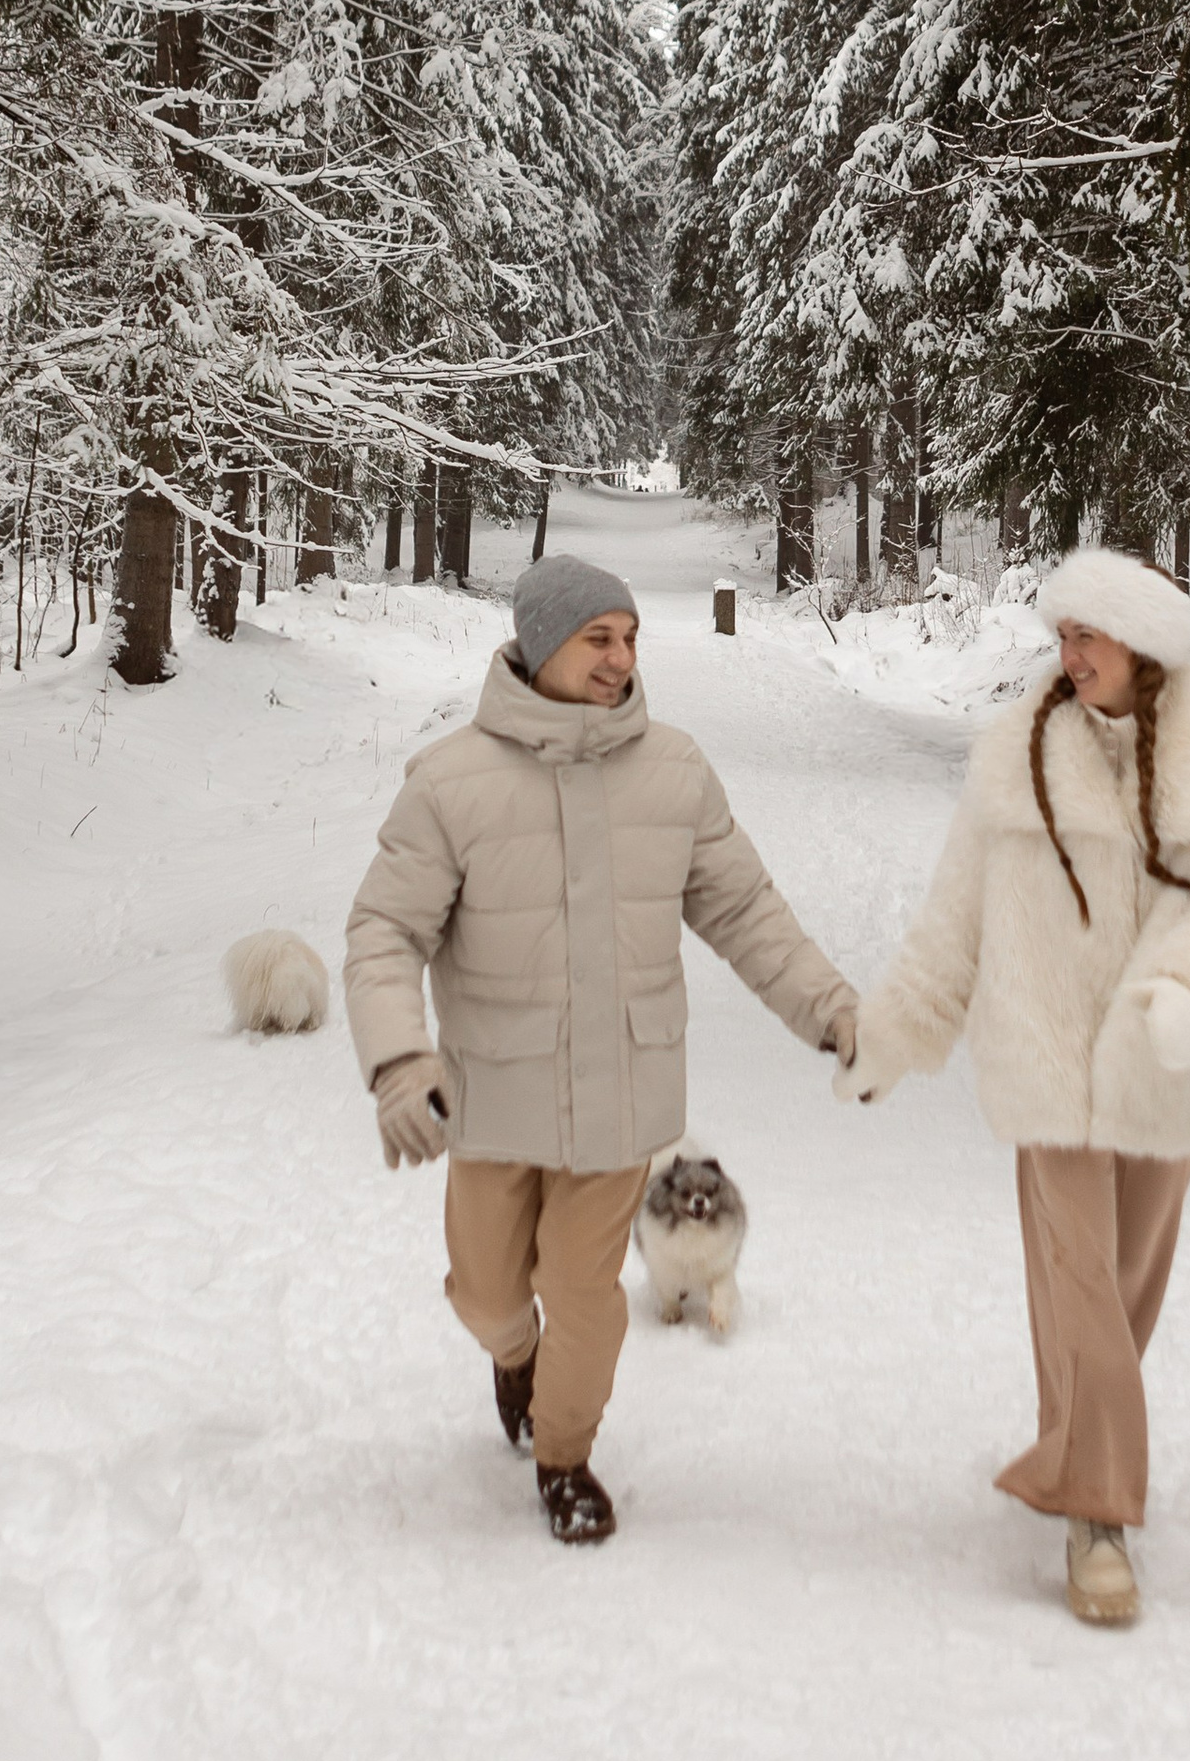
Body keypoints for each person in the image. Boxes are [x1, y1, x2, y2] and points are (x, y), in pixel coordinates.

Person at [345, 550, 859, 1545]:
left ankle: (566, 1457)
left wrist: (832, 1013)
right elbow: (382, 933)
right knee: (491, 1292)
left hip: (624, 1094)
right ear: (542, 646)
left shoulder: (673, 770)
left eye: (629, 639)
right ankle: (510, 1356)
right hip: (492, 1099)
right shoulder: (450, 782)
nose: (622, 659)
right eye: (599, 639)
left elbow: (746, 911)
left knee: (584, 1292)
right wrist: (401, 1061)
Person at [843, 547, 1190, 1625]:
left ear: (1140, 643)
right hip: (1041, 1060)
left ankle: (1076, 1438)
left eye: (1086, 635)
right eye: (1062, 636)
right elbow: (956, 917)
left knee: (1122, 1286)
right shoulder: (1017, 755)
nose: (1068, 654)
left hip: (1159, 1066)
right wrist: (896, 1033)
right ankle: (1099, 1520)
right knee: (1079, 1277)